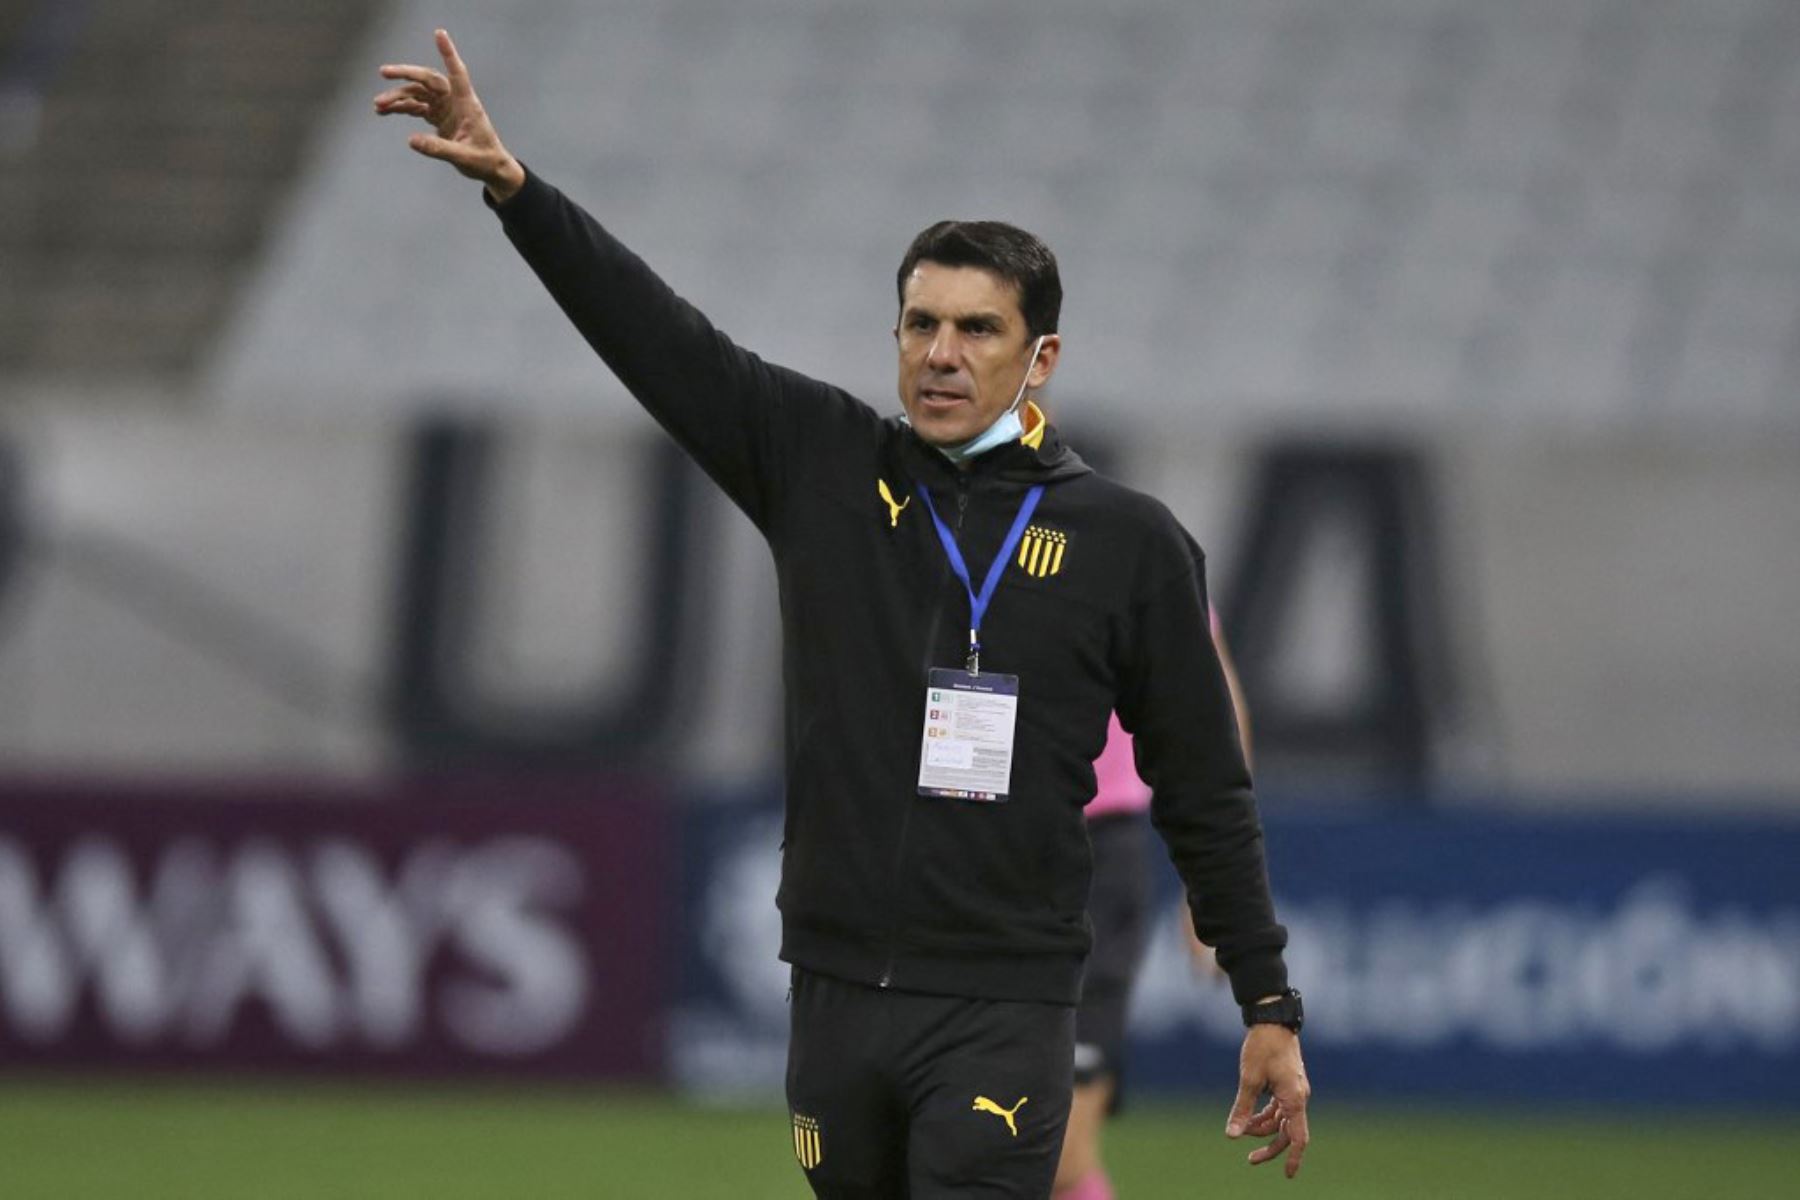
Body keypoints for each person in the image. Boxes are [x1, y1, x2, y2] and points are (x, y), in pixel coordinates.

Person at [375, 30, 1310, 1197]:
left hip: (1003, 998)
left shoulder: (1129, 542)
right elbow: (661, 340)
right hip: (830, 989)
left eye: (978, 329)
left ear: (1043, 356)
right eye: (921, 324)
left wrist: (1268, 1000)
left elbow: (1207, 783)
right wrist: (516, 193)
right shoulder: (821, 464)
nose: (942, 353)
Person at [1055, 613, 1252, 1200]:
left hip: (1095, 858)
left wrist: (1214, 885)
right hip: (968, 853)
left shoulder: (1139, 543)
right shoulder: (961, 531)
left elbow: (1215, 719)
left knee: (1057, 1154)